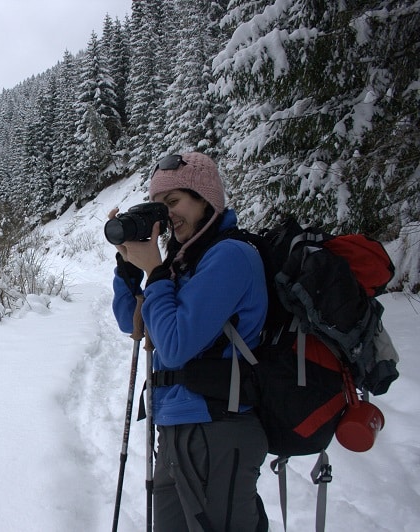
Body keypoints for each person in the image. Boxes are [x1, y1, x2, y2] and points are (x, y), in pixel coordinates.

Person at [110, 152, 269, 531]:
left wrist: (156, 272)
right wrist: (129, 269)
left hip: (217, 427)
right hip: (175, 428)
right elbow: (133, 324)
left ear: (206, 200)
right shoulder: (184, 263)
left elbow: (176, 344)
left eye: (173, 201)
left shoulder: (230, 256)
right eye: (159, 205)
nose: (166, 215)